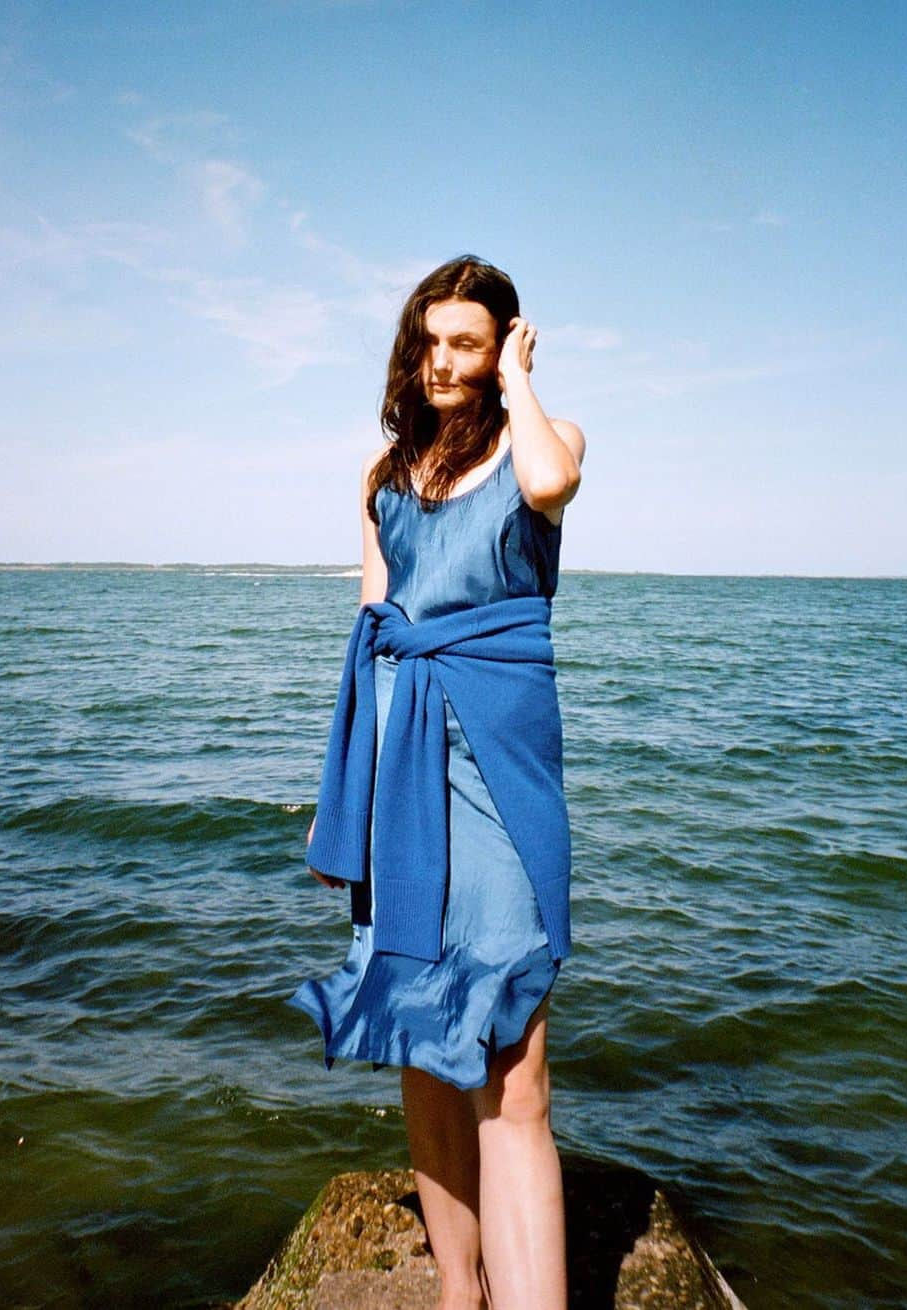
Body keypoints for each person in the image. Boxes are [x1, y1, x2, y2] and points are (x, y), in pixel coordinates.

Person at [286, 254, 585, 1310]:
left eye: (467, 341)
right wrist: (351, 814)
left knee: (515, 1057)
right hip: (406, 758)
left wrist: (522, 380)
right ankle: (462, 1285)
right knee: (419, 1023)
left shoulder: (538, 443)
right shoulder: (383, 481)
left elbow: (550, 485)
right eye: (431, 341)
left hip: (503, 764)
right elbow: (371, 647)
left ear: (501, 343)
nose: (443, 361)